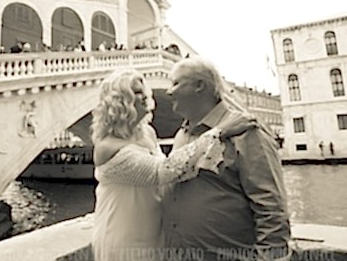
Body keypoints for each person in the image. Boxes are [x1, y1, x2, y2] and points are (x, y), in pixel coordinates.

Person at [91, 68, 257, 261]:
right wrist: (219, 131)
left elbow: (178, 172)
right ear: (120, 101)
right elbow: (163, 172)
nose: (145, 95)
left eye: (143, 90)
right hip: (122, 237)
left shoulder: (147, 133)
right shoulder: (106, 146)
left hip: (154, 234)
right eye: (136, 92)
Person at [163, 56, 291, 261]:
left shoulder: (248, 132)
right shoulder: (182, 134)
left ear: (199, 85)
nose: (169, 91)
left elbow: (271, 209)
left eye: (176, 83)